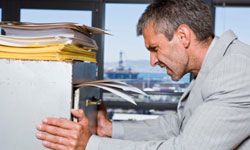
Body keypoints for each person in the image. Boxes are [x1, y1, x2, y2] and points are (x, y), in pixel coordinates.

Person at [36, 0, 250, 149]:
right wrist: (108, 128)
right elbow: (177, 125)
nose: (153, 61)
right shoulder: (211, 66)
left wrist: (91, 145)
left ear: (183, 36)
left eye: (154, 48)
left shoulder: (236, 71)